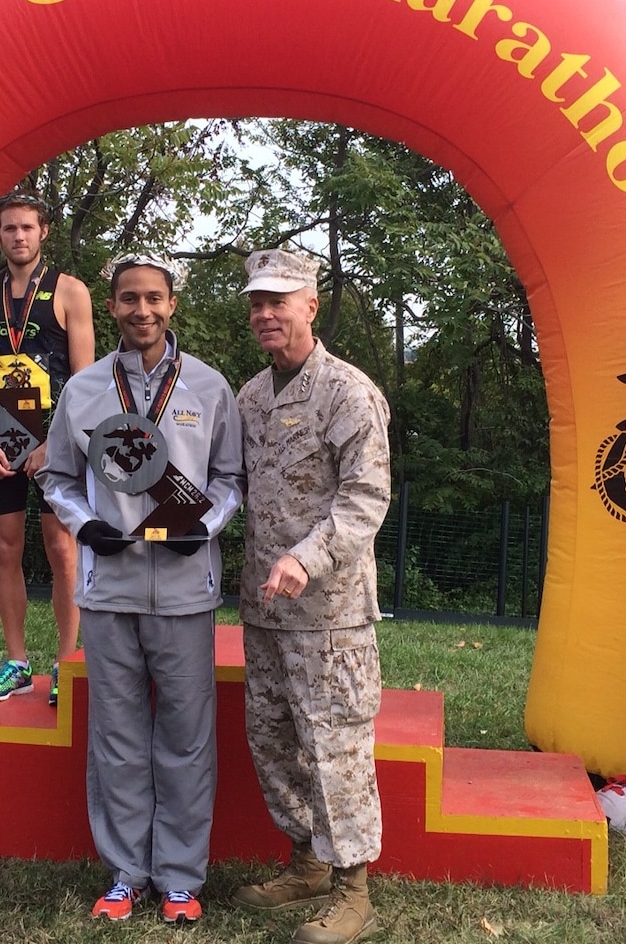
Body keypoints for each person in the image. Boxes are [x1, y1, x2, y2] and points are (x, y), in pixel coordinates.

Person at [38, 253, 243, 924]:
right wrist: (85, 523)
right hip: (108, 589)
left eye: (153, 298)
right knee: (118, 737)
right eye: (129, 299)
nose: (142, 310)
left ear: (172, 304)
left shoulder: (210, 388)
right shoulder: (85, 389)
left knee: (185, 738)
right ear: (113, 305)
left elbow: (231, 481)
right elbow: (58, 479)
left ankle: (181, 878)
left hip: (185, 589)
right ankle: (126, 873)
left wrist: (205, 526)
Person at [231, 250, 393, 944]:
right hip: (265, 609)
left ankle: (352, 886)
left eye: (280, 300)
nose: (267, 314)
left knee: (334, 745)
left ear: (311, 306)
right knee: (272, 739)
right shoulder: (250, 397)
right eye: (257, 303)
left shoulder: (346, 393)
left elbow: (366, 497)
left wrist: (308, 556)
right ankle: (305, 861)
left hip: (329, 614)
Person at [0, 189, 94, 705]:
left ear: (43, 232)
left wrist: (57, 444)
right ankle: (17, 662)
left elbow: (85, 381)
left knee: (63, 550)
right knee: (3, 548)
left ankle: (67, 664)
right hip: (1, 439)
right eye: (9, 228)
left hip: (56, 443)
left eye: (27, 227)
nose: (18, 236)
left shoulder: (70, 291)